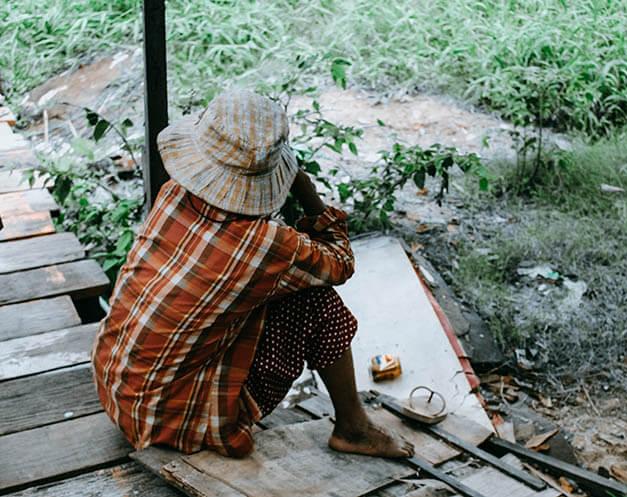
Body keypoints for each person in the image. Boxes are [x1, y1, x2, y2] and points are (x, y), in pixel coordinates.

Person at [91, 89, 414, 459]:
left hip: (119, 388)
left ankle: (353, 426)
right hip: (171, 420)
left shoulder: (174, 193)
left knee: (276, 295)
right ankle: (353, 427)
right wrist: (306, 190)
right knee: (318, 303)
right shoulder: (265, 243)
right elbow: (341, 263)